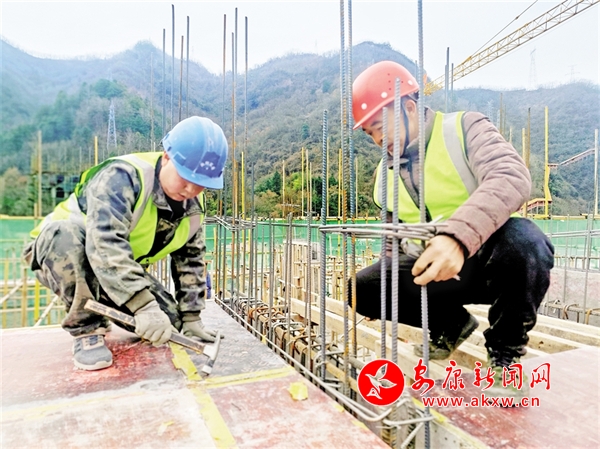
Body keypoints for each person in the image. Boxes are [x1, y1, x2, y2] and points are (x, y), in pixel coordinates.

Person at [351, 61, 554, 399]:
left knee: (525, 240)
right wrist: (386, 294)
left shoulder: (464, 128)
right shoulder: (386, 173)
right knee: (363, 288)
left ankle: (505, 354)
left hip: (492, 267)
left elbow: (511, 177)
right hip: (435, 273)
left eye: (379, 126)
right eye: (370, 133)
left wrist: (457, 238)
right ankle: (450, 325)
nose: (377, 139)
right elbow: (393, 241)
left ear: (410, 107)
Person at [23, 116, 227, 371]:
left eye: (200, 184)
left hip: (115, 268)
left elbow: (191, 260)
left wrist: (191, 316)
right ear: (166, 156)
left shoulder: (193, 207)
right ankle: (87, 329)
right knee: (65, 236)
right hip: (60, 250)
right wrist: (142, 304)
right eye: (185, 177)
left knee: (168, 324)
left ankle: (121, 309)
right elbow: (105, 243)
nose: (189, 189)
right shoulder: (123, 177)